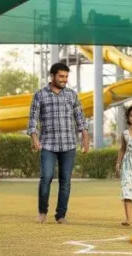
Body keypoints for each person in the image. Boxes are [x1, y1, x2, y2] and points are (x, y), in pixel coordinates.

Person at [27, 62, 90, 224]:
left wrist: (85, 137)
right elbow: (33, 118)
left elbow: (80, 117)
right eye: (61, 76)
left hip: (69, 144)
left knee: (65, 181)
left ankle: (61, 215)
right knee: (46, 177)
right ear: (52, 76)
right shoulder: (40, 95)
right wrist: (34, 137)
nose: (64, 80)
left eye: (66, 77)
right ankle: (42, 212)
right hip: (47, 144)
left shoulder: (71, 95)